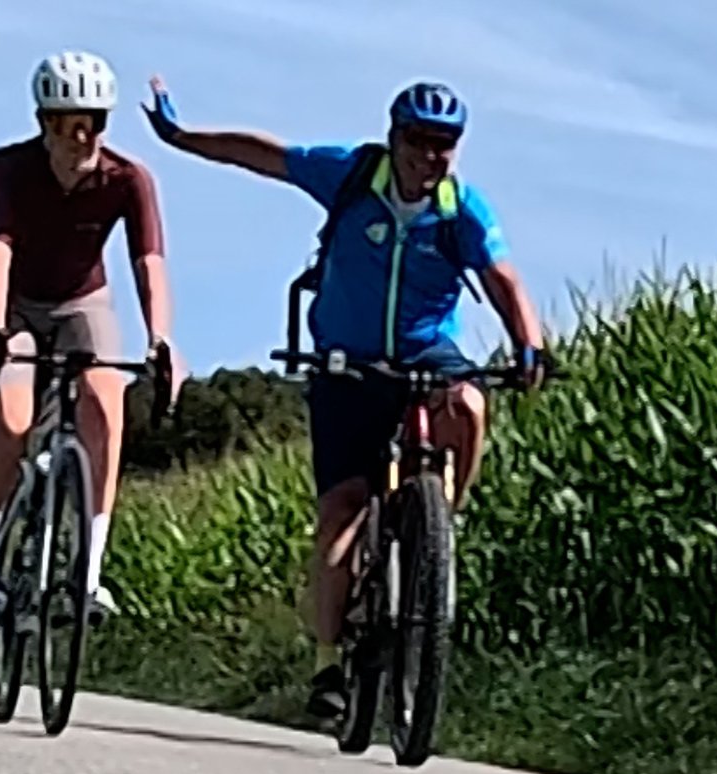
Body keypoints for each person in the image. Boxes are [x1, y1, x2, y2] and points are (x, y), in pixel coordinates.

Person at [139, 74, 550, 719]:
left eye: (444, 142)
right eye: (418, 139)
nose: (429, 153)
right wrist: (180, 135)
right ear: (394, 137)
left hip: (425, 351)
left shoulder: (462, 209)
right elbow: (265, 156)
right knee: (341, 514)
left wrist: (529, 344)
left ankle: (440, 527)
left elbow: (503, 278)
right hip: (347, 359)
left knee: (468, 404)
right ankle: (328, 666)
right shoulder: (353, 175)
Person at [0, 49, 184, 636]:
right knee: (12, 415)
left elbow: (149, 262)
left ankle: (89, 569)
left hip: (84, 301)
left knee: (106, 404)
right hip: (16, 304)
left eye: (95, 122)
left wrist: (162, 340)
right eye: (68, 121)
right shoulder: (8, 168)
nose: (83, 135)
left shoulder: (128, 179)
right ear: (43, 122)